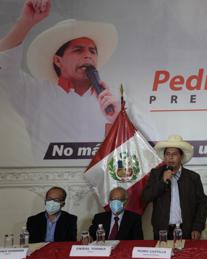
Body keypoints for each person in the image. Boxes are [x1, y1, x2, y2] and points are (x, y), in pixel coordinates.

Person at [0, 0, 120, 160]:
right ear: (58, 61)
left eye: (92, 51)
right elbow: (5, 66)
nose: (88, 55)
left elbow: (147, 146)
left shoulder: (115, 102)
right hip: (49, 183)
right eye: (78, 50)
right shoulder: (35, 94)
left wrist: (119, 117)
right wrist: (25, 22)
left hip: (98, 183)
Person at [142, 135, 207, 240]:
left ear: (181, 157)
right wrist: (162, 181)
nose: (170, 157)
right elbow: (146, 197)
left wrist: (198, 227)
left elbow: (202, 204)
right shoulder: (156, 174)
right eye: (168, 154)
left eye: (175, 154)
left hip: (187, 230)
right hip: (162, 230)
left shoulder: (193, 177)